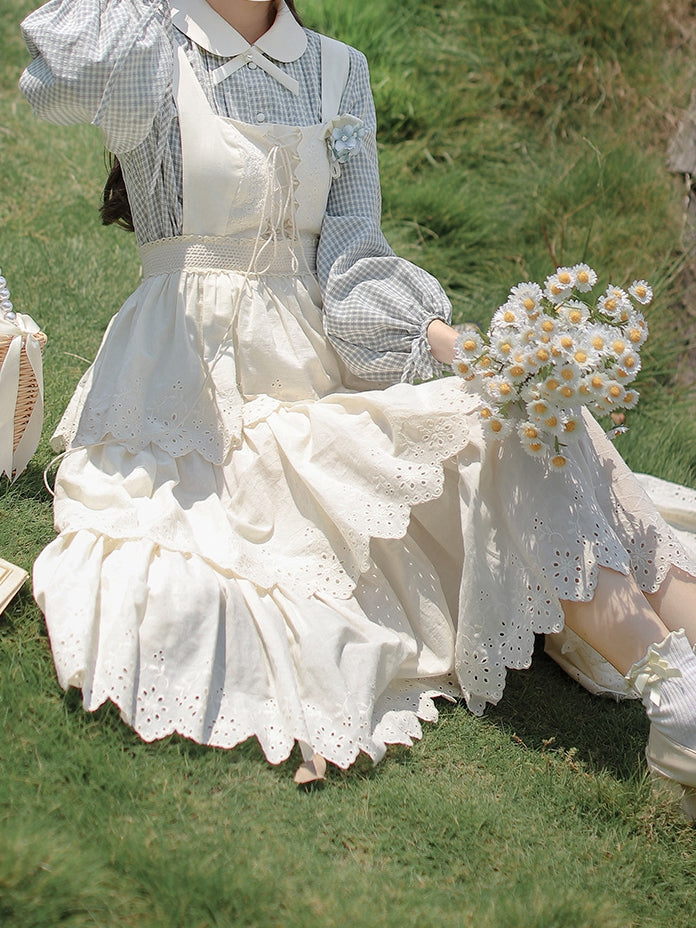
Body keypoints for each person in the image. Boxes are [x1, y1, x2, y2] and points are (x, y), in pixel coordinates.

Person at [18, 0, 696, 797]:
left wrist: (465, 350)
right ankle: (677, 694)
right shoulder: (147, 44)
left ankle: (680, 690)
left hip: (315, 382)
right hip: (186, 402)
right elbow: (58, 82)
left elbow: (351, 264)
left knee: (527, 409)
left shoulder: (338, 69)